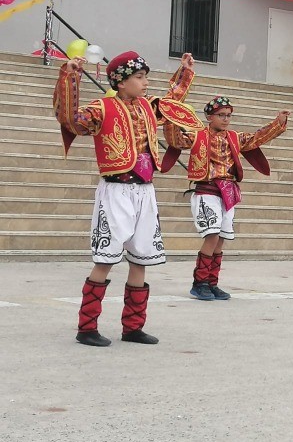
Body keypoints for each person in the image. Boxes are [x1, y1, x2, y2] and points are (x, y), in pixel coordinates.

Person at [54, 50, 196, 346]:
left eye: (146, 77)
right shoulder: (101, 109)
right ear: (121, 82)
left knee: (140, 258)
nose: (145, 83)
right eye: (139, 77)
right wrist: (69, 77)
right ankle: (87, 327)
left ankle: (132, 327)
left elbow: (172, 103)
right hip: (116, 190)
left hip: (145, 190)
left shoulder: (148, 107)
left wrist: (184, 72)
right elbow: (71, 121)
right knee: (105, 259)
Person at [162, 96, 290, 300]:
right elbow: (176, 141)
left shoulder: (235, 137)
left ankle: (212, 283)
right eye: (221, 115)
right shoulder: (197, 135)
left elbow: (257, 138)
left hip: (228, 192)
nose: (226, 119)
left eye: (229, 115)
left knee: (221, 239)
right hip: (206, 191)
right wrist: (170, 119)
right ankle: (199, 283)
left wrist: (278, 123)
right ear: (209, 117)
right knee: (212, 235)